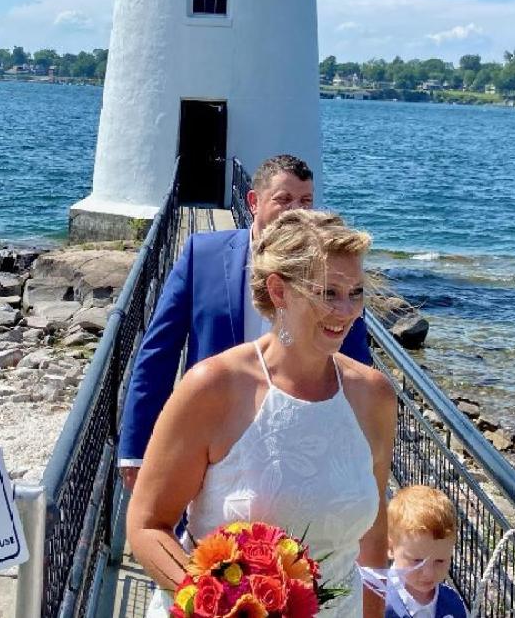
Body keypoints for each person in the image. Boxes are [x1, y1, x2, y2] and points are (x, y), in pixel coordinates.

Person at [127, 210, 397, 618]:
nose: (346, 311)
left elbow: (374, 538)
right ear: (278, 290)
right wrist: (214, 602)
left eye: (356, 292)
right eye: (327, 292)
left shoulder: (373, 395)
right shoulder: (213, 387)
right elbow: (147, 524)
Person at [118, 154, 372, 490]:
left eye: (306, 201)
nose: (296, 210)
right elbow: (158, 354)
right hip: (213, 438)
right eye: (283, 199)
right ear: (253, 202)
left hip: (304, 442)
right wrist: (136, 450)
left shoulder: (332, 273)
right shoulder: (202, 255)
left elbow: (355, 360)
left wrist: (363, 451)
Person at [383, 486, 468, 618]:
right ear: (390, 548)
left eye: (440, 561)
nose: (429, 573)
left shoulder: (453, 604)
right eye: (417, 561)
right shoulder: (374, 602)